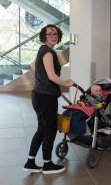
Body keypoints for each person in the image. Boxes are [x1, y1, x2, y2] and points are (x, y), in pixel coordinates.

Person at [23, 24, 74, 174]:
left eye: (55, 33)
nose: (53, 36)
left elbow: (34, 66)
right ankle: (47, 164)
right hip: (45, 97)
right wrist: (66, 83)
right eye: (50, 34)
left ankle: (30, 162)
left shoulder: (44, 50)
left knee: (42, 129)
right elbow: (52, 76)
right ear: (44, 36)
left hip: (40, 95)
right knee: (49, 130)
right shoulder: (48, 52)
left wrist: (42, 79)